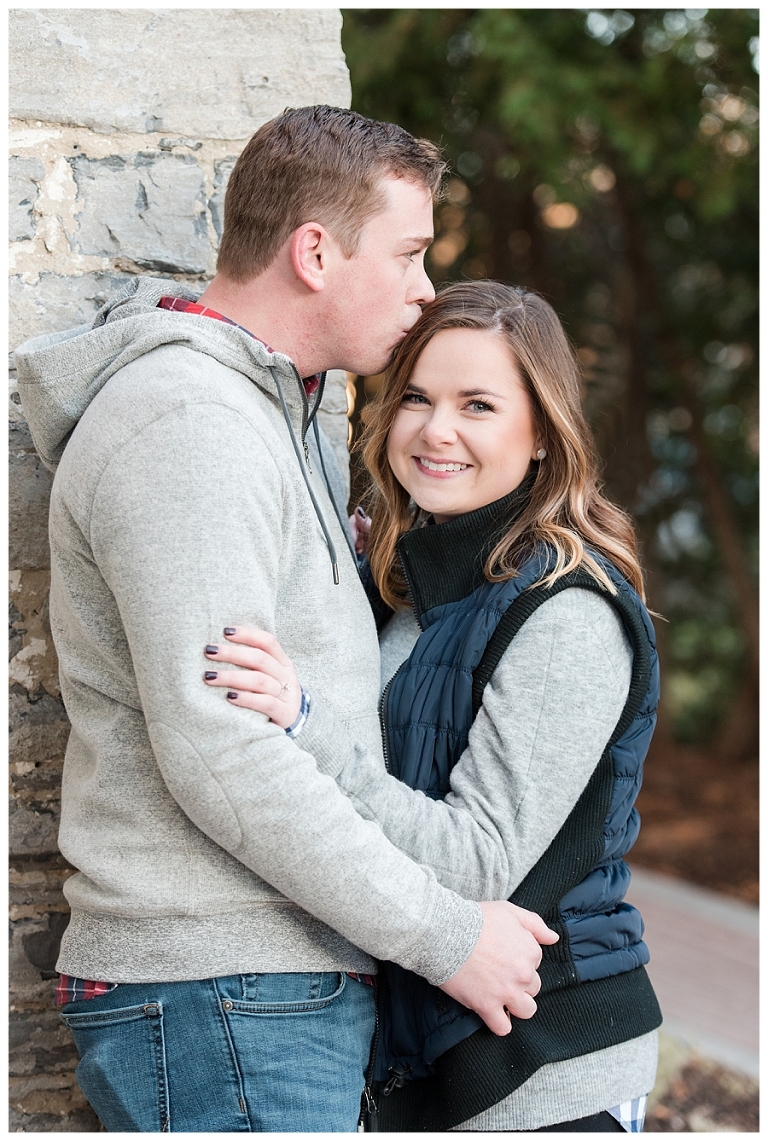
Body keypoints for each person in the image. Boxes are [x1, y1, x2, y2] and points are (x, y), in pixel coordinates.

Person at [14, 109, 557, 1133]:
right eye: (407, 253)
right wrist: (446, 936)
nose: (424, 289)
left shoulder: (266, 414)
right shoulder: (193, 424)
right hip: (225, 988)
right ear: (315, 253)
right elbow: (222, 750)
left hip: (251, 991)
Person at [203, 281, 663, 1132]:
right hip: (433, 1049)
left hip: (542, 1060)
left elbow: (477, 861)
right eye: (417, 397)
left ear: (542, 434)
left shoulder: (568, 612)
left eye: (477, 404)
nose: (436, 429)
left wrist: (305, 725)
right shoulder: (411, 587)